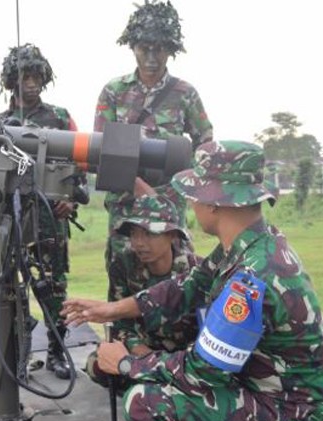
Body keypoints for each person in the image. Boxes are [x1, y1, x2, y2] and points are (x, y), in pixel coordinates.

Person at [62, 141, 323, 421]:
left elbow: (203, 371)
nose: (190, 203)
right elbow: (188, 287)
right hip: (270, 390)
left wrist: (128, 363)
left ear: (214, 202)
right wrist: (112, 309)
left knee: (145, 403)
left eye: (194, 193)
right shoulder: (252, 243)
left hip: (286, 414)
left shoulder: (250, 279)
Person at [94, 0, 213, 303]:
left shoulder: (184, 93)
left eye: (159, 49)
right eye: (144, 48)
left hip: (169, 211)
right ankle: (123, 347)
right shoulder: (114, 92)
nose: (150, 57)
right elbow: (100, 151)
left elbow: (206, 147)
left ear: (171, 48)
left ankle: (176, 349)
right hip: (125, 211)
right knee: (122, 281)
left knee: (179, 286)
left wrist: (180, 190)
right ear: (132, 46)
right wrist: (139, 187)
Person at [0, 43, 84, 380]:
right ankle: (18, 354)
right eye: (25, 76)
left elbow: (80, 161)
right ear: (12, 81)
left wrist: (73, 199)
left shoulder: (59, 118)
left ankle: (57, 351)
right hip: (12, 220)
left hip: (51, 218)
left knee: (53, 288)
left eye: (37, 76)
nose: (32, 83)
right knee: (8, 288)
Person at [108, 194, 200, 356]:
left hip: (185, 357)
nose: (139, 243)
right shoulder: (123, 264)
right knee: (97, 364)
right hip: (142, 351)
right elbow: (120, 322)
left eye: (149, 234)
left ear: (172, 235)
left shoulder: (197, 271)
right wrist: (145, 356)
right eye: (134, 234)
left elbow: (208, 329)